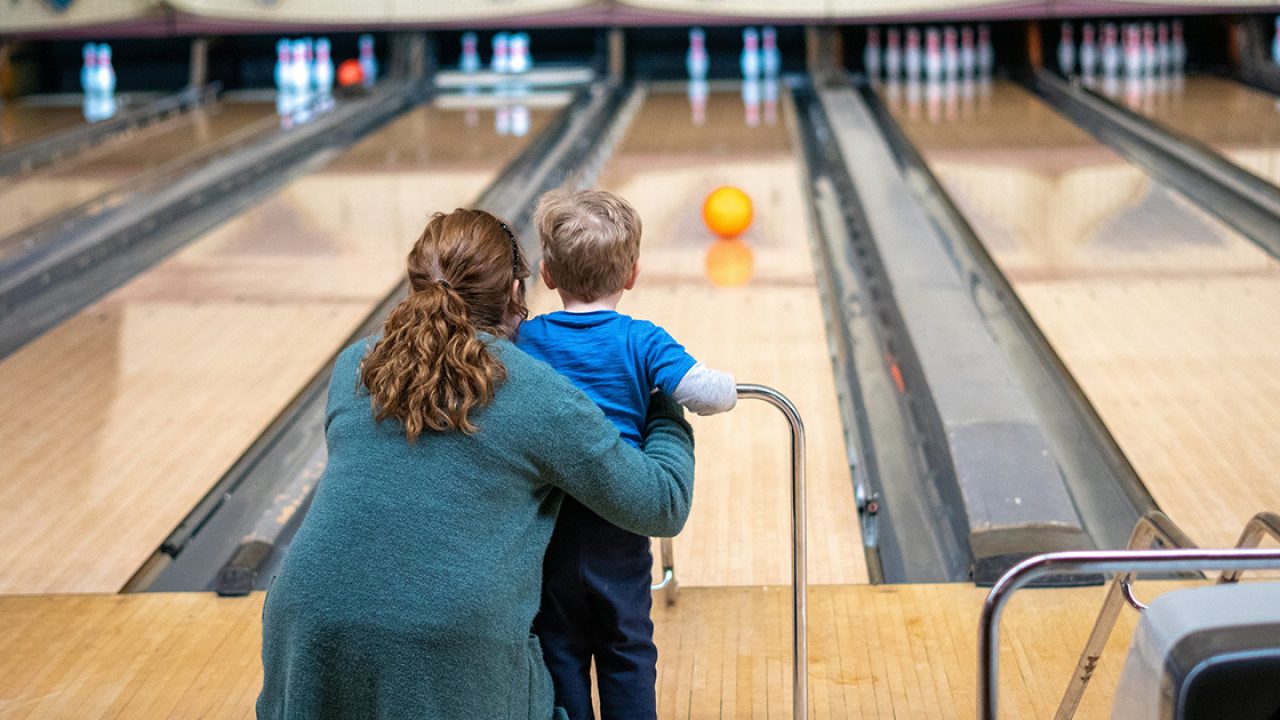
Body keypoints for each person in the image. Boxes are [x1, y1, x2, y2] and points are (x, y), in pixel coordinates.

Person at [256, 208, 696, 720]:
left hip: (305, 630)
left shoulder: (354, 365)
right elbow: (661, 504)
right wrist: (663, 403)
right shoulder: (534, 390)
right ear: (515, 292)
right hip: (450, 647)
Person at [517, 189, 736, 720]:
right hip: (619, 525)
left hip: (550, 530)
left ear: (547, 273)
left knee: (558, 652)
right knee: (627, 651)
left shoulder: (526, 338)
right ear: (632, 273)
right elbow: (712, 395)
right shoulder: (642, 340)